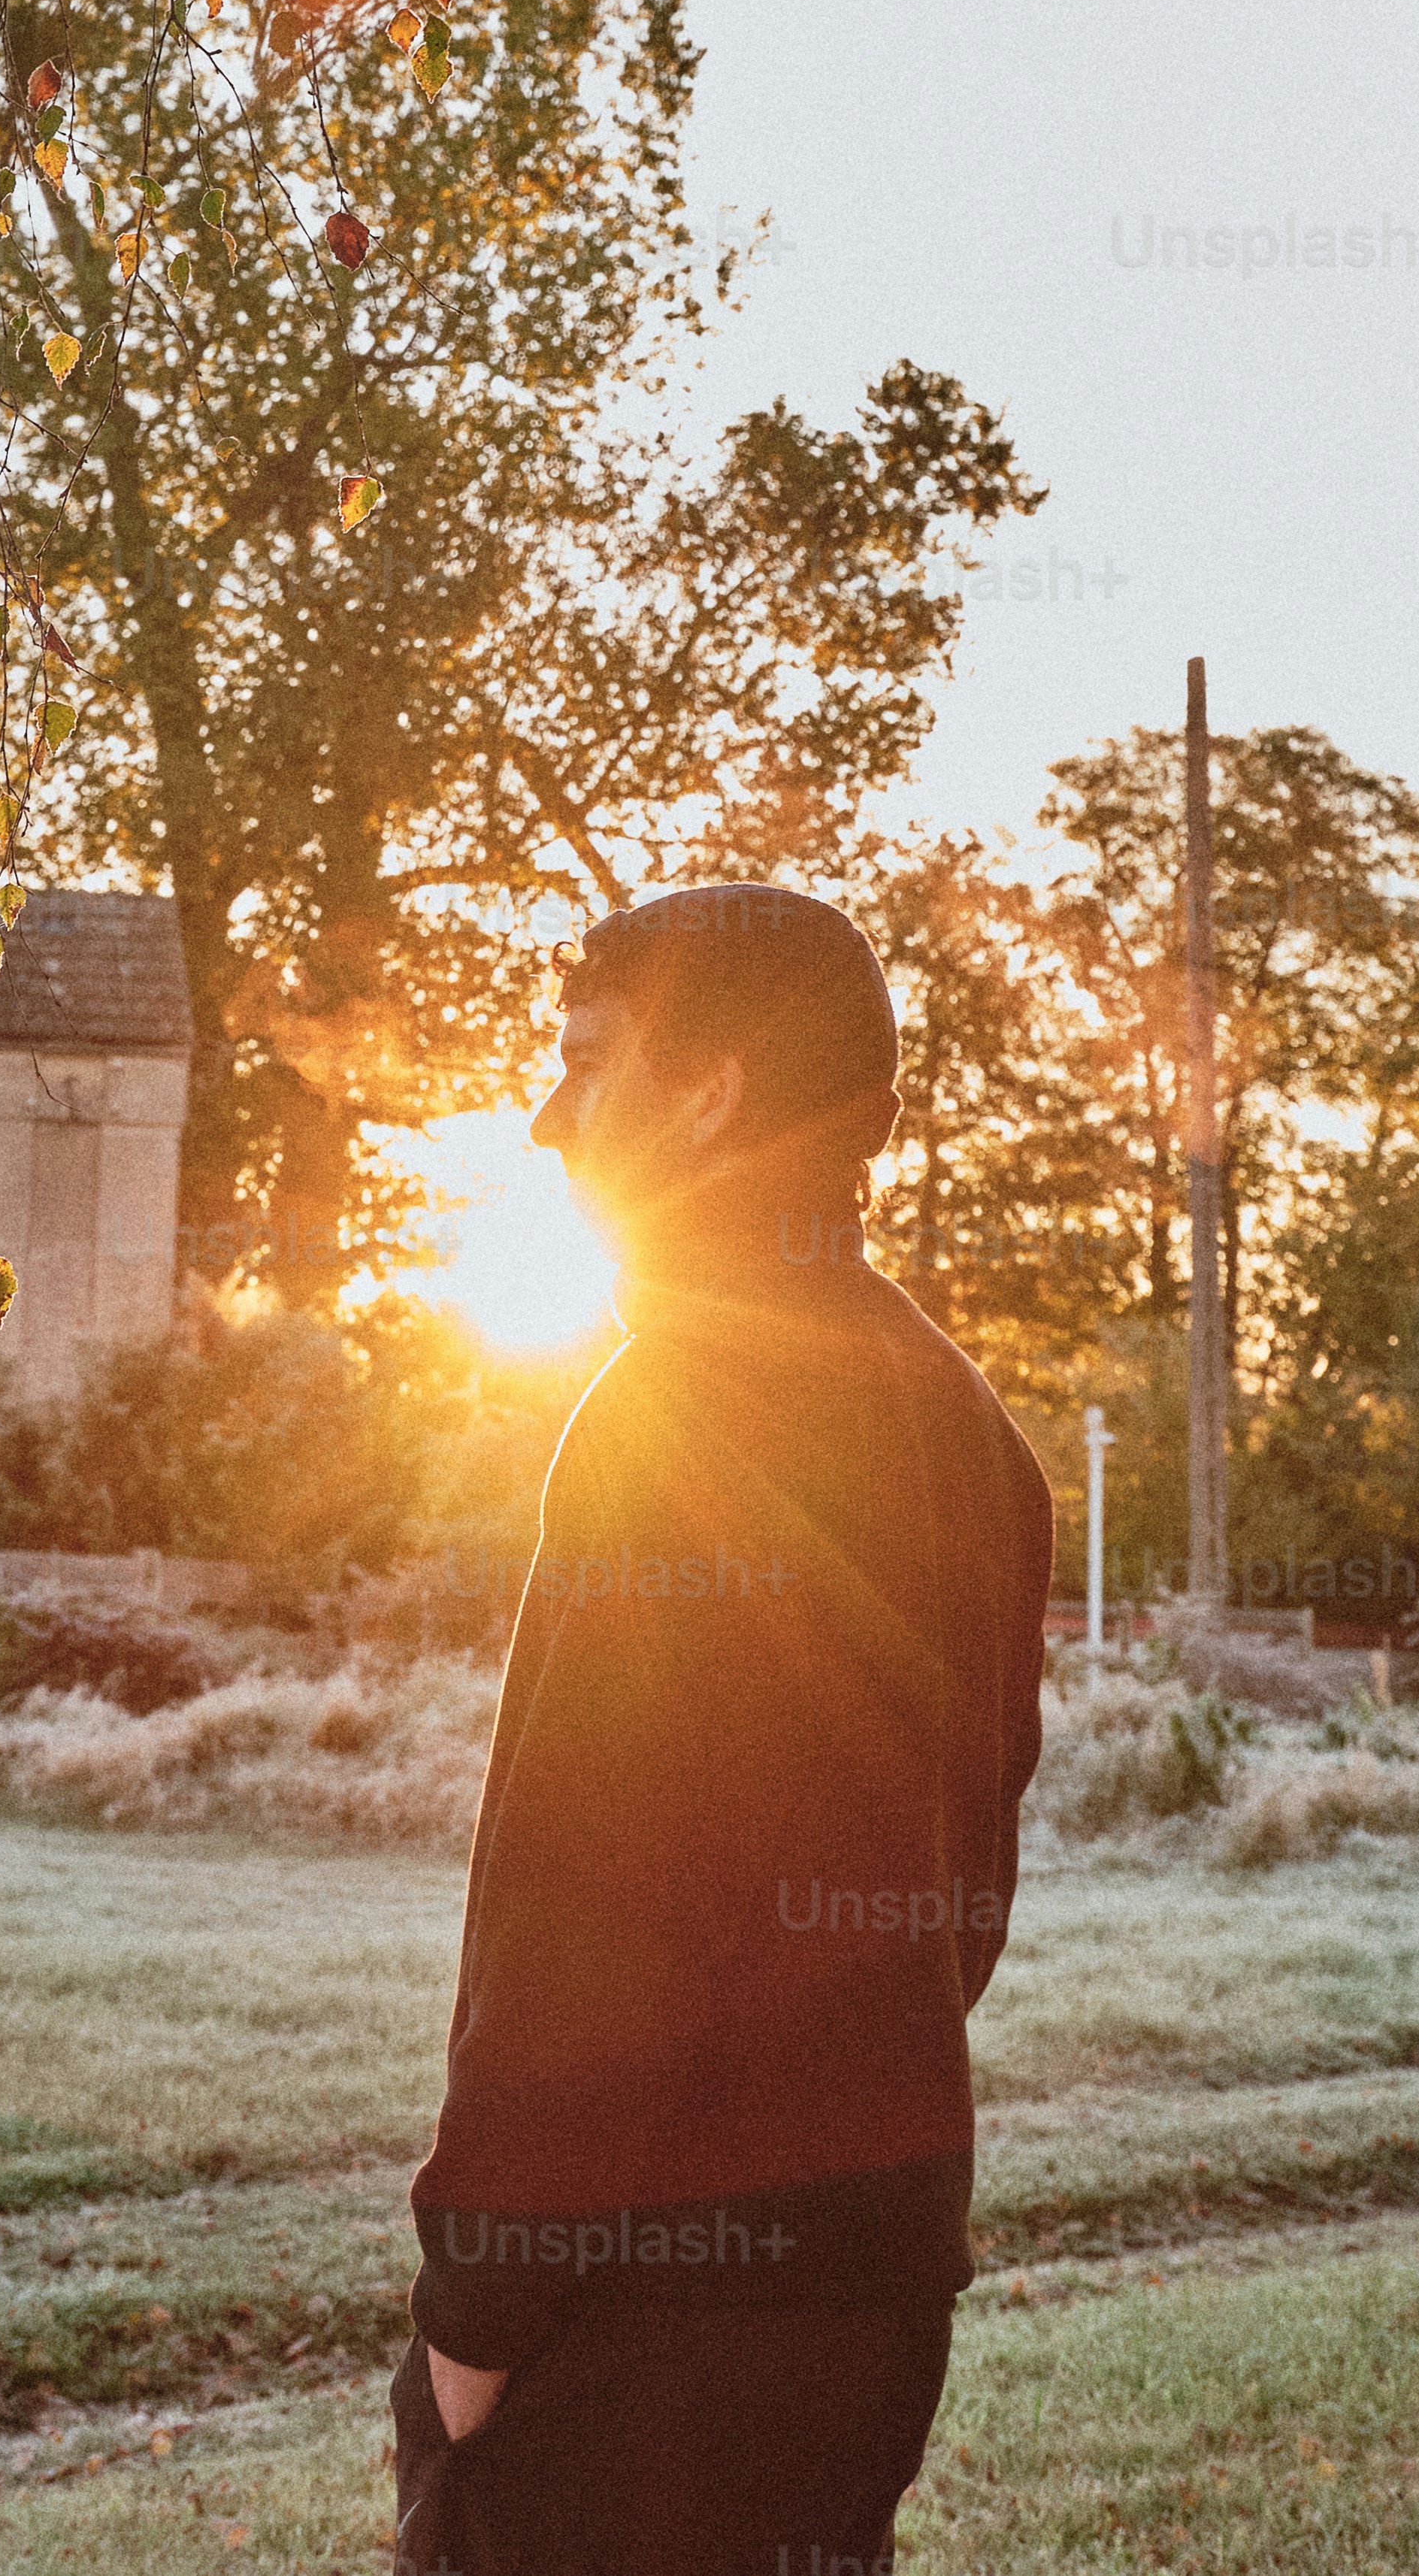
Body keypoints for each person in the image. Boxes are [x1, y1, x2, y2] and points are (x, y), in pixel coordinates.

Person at [392, 883, 1057, 2576]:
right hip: (869, 2300)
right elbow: (957, 1901)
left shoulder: (668, 1414)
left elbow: (577, 1921)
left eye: (586, 1065)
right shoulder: (971, 1433)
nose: (546, 1119)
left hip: (625, 2345)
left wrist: (471, 2336)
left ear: (713, 1091)